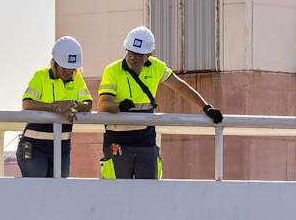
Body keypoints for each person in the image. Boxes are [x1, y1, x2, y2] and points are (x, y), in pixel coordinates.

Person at [95, 26, 222, 180]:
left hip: (145, 140)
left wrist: (206, 107)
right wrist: (120, 106)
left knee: (150, 193)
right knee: (116, 195)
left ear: (148, 55)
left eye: (138, 54)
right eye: (130, 52)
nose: (133, 57)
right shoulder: (112, 70)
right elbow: (102, 105)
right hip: (117, 140)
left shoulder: (156, 67)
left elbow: (181, 87)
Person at [17, 36, 92, 178]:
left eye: (72, 68)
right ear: (55, 62)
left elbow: (88, 103)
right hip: (34, 146)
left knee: (59, 193)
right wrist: (54, 107)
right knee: (38, 191)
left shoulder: (77, 79)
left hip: (61, 147)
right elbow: (27, 103)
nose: (68, 72)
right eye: (65, 68)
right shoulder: (41, 77)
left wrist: (74, 106)